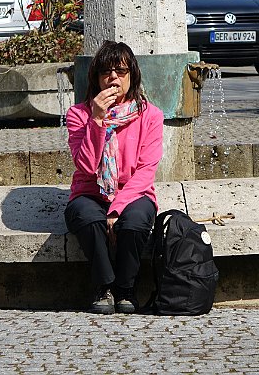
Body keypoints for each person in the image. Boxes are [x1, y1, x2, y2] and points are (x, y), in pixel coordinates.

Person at [64, 40, 164, 314]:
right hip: (90, 192)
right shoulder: (78, 115)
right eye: (106, 72)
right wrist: (96, 120)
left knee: (134, 222)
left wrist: (117, 208)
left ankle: (126, 289)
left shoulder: (151, 116)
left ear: (132, 76)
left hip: (133, 194)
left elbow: (146, 172)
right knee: (88, 218)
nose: (113, 78)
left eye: (121, 71)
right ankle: (104, 287)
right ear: (96, 78)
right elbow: (85, 167)